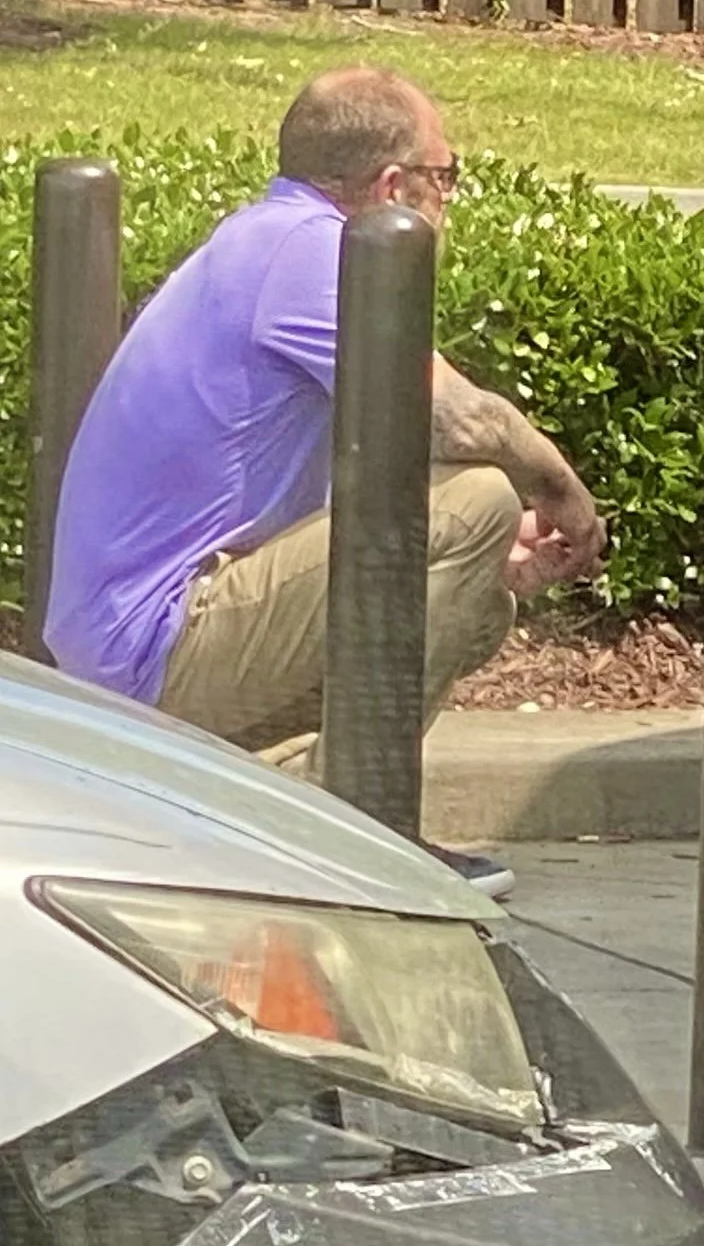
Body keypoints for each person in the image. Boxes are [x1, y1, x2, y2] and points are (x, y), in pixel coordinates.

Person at [44, 67, 606, 898]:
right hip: (152, 650)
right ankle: (351, 824)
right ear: (392, 186)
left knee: (478, 576)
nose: (449, 202)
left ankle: (267, 806)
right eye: (444, 179)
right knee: (483, 498)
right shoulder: (310, 251)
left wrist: (485, 549)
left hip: (129, 648)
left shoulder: (263, 239)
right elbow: (461, 421)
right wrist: (565, 495)